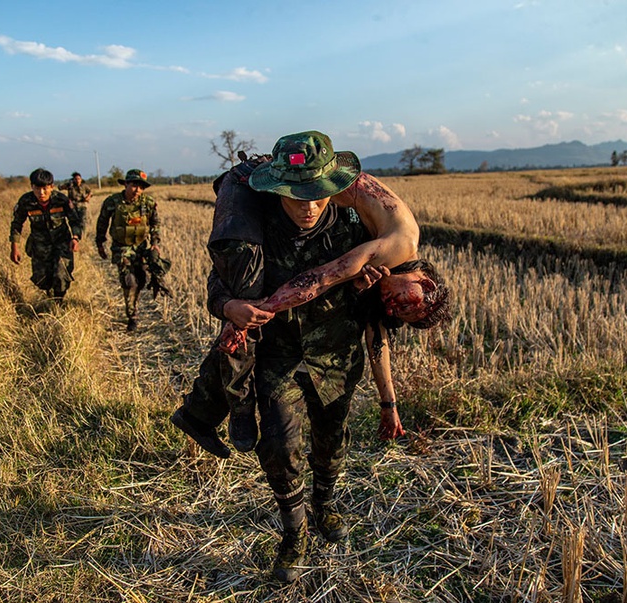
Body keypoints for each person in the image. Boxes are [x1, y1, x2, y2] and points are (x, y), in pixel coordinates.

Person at [175, 131, 449, 582]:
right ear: (277, 189)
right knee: (280, 449)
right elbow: (218, 285)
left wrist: (388, 399)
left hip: (335, 363)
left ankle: (324, 505)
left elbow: (371, 322)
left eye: (317, 195)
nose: (308, 206)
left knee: (331, 443)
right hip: (279, 358)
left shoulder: (356, 231)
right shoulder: (256, 228)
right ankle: (294, 533)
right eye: (296, 196)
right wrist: (229, 309)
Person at [95, 169, 172, 332]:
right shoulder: (113, 202)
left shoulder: (148, 203)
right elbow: (102, 222)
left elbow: (155, 224)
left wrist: (155, 243)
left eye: (141, 187)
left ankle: (135, 305)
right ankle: (132, 316)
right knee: (129, 281)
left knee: (141, 279)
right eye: (134, 185)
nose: (137, 190)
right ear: (126, 184)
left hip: (141, 247)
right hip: (121, 248)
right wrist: (100, 243)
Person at [9, 167, 81, 300]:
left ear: (52, 187)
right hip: (40, 245)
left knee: (61, 275)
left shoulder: (61, 200)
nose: (41, 193)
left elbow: (75, 221)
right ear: (32, 187)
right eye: (37, 188)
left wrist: (75, 238)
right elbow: (17, 224)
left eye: (45, 188)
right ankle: (49, 294)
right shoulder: (26, 201)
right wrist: (15, 247)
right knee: (42, 280)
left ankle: (58, 301)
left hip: (61, 243)